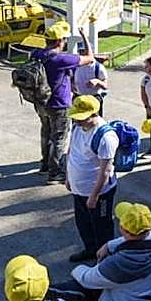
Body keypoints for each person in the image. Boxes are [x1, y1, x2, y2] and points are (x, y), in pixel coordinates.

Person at [35, 22, 97, 183]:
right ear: (59, 41)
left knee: (46, 132)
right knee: (60, 138)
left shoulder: (36, 54)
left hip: (41, 102)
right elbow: (90, 59)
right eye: (64, 40)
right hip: (59, 104)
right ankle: (55, 173)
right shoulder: (61, 59)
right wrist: (84, 36)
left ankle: (45, 165)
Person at [64, 95, 119, 263]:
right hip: (78, 189)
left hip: (99, 193)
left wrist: (94, 195)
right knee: (83, 223)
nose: (77, 121)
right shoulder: (77, 128)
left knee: (102, 227)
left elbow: (105, 170)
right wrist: (68, 177)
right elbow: (71, 153)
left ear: (94, 113)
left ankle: (104, 259)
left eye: (81, 117)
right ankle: (90, 250)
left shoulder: (106, 137)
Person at [72, 42, 109, 109]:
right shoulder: (76, 66)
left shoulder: (98, 67)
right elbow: (71, 80)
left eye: (84, 51)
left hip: (94, 98)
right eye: (80, 51)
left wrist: (97, 81)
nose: (82, 54)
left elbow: (105, 86)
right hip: (79, 98)